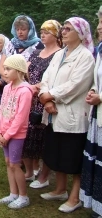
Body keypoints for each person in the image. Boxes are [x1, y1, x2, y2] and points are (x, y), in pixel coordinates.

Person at [39, 17, 94, 213]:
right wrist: (45, 99)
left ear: (80, 33)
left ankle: (75, 197)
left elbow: (76, 85)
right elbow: (46, 78)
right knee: (56, 153)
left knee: (73, 158)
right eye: (63, 28)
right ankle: (60, 189)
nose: (64, 31)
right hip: (53, 112)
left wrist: (51, 96)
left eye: (68, 29)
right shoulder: (59, 54)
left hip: (73, 114)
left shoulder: (86, 56)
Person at [22, 20, 62, 187]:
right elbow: (25, 70)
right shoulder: (37, 51)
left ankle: (42, 173)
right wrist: (27, 85)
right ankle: (30, 171)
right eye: (42, 32)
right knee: (26, 135)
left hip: (44, 99)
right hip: (29, 98)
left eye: (47, 32)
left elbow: (57, 78)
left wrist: (38, 88)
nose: (43, 35)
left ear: (56, 35)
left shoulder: (60, 54)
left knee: (41, 137)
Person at [0, 54, 33, 209]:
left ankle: (23, 196)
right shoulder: (7, 88)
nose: (4, 72)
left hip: (16, 135)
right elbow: (1, 111)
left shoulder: (25, 91)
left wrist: (8, 135)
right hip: (3, 133)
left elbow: (20, 118)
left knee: (15, 164)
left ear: (18, 71)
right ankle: (13, 193)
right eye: (4, 69)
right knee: (8, 163)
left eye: (8, 69)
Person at [80, 8, 102, 218]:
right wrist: (95, 89)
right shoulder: (101, 50)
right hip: (99, 114)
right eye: (99, 22)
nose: (100, 27)